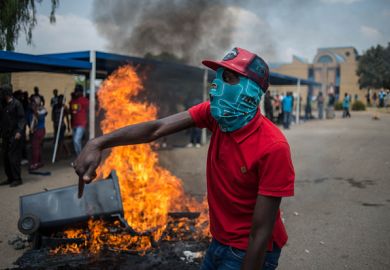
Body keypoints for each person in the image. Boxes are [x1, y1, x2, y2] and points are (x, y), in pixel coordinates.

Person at [73, 47, 295, 270]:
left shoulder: (273, 148)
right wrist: (98, 143)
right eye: (218, 77)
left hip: (250, 251)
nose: (216, 86)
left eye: (228, 78)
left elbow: (261, 233)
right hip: (219, 241)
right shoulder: (215, 115)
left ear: (251, 91)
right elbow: (156, 129)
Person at [0, 84, 26, 187]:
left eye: (2, 92)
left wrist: (19, 131)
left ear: (7, 93)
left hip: (15, 135)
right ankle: (10, 178)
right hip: (5, 135)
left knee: (13, 157)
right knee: (5, 157)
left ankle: (17, 179)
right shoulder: (3, 104)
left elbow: (22, 119)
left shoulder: (17, 104)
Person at [28, 96, 48, 170]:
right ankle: (39, 162)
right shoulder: (42, 109)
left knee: (35, 148)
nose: (31, 104)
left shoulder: (38, 110)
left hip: (38, 130)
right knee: (38, 147)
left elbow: (37, 117)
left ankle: (35, 163)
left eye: (33, 102)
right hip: (41, 130)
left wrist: (35, 110)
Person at [69, 85, 89, 155]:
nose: (76, 92)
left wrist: (88, 123)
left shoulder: (85, 100)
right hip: (74, 124)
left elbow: (88, 111)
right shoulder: (72, 101)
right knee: (75, 141)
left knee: (76, 140)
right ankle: (79, 156)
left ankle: (80, 156)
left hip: (82, 124)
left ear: (81, 92)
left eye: (78, 91)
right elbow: (71, 113)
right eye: (75, 91)